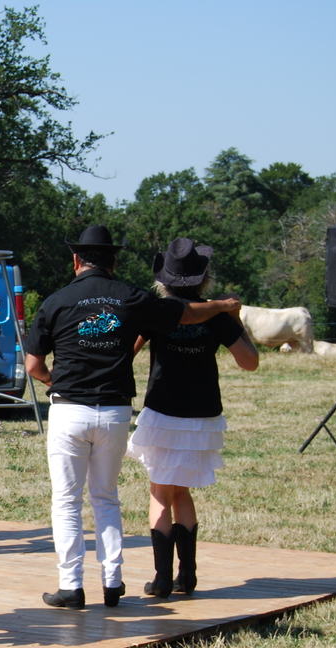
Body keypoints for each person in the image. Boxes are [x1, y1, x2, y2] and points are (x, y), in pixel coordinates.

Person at [23, 225, 242, 609]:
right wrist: (222, 307)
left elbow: (33, 365)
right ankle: (112, 581)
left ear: (76, 261)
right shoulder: (132, 297)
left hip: (69, 409)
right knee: (106, 497)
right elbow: (186, 313)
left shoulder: (56, 301)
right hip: (114, 410)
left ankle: (71, 586)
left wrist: (56, 381)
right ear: (113, 261)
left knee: (67, 501)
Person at [127, 238, 258, 598]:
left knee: (159, 492)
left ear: (164, 280)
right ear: (204, 278)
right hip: (202, 414)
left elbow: (127, 351)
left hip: (163, 411)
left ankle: (162, 578)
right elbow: (250, 361)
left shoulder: (158, 312)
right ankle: (187, 576)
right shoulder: (217, 314)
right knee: (181, 490)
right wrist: (233, 318)